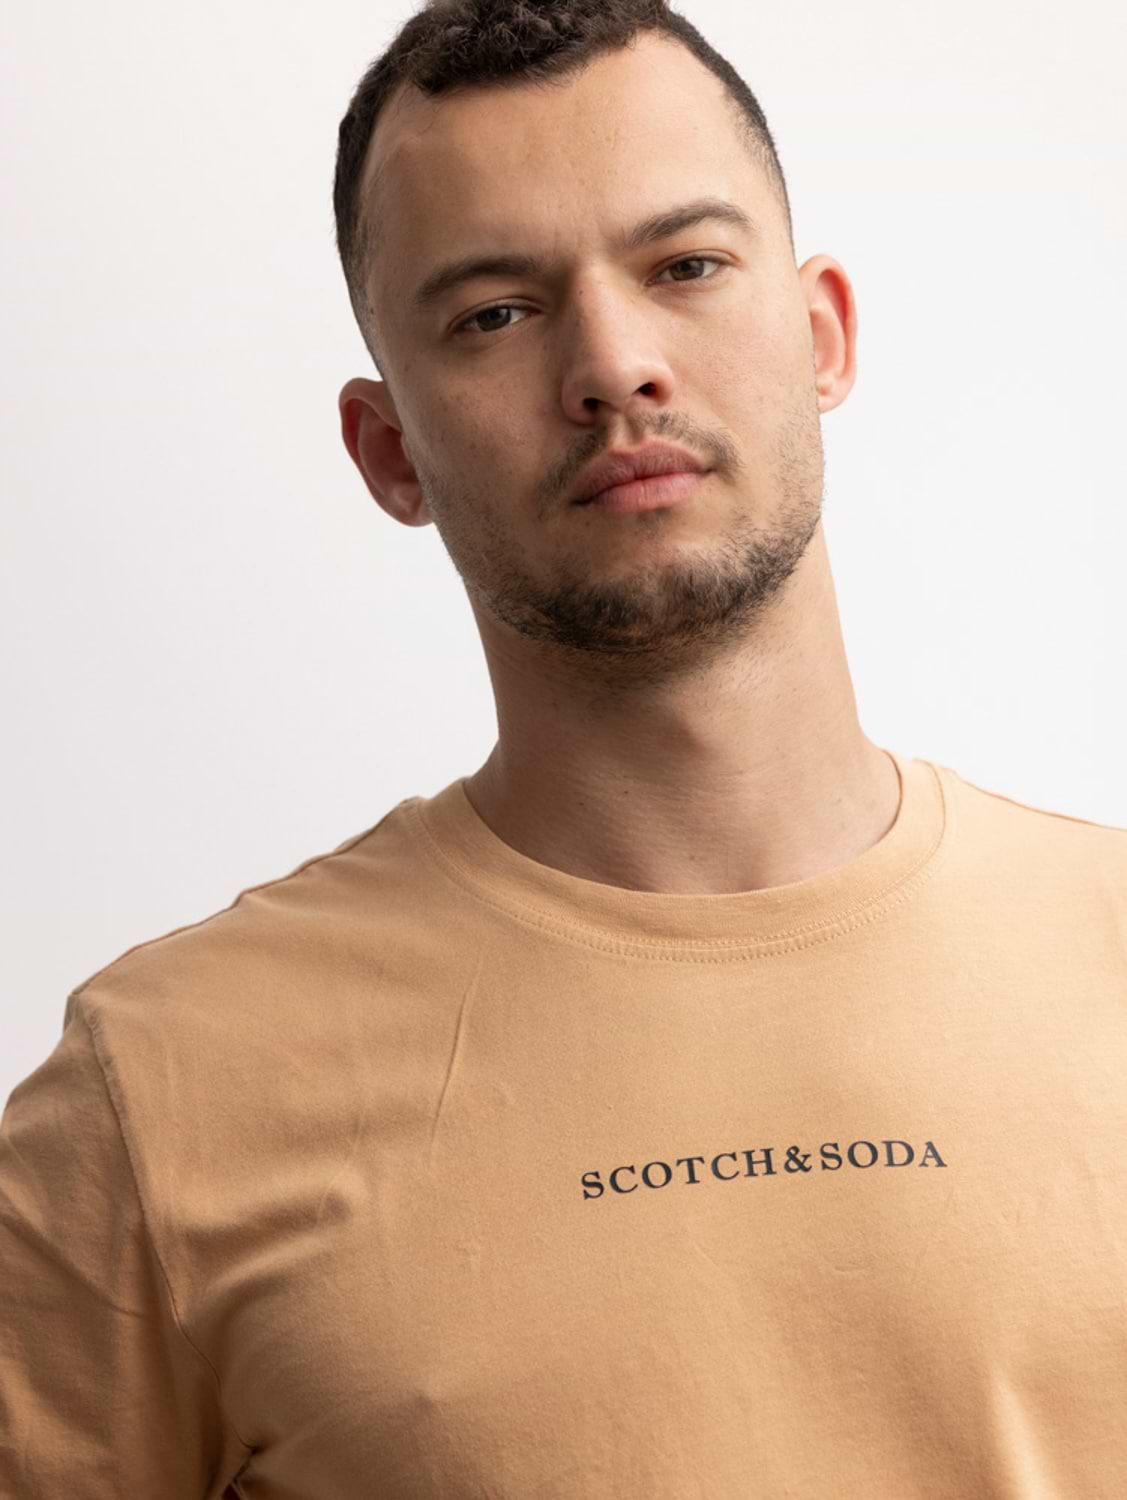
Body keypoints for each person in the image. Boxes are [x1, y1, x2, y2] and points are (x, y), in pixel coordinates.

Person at [2, 1, 1125, 1495]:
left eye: (686, 267)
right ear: (388, 449)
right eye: (495, 312)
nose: (614, 364)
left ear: (821, 337)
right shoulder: (161, 1095)